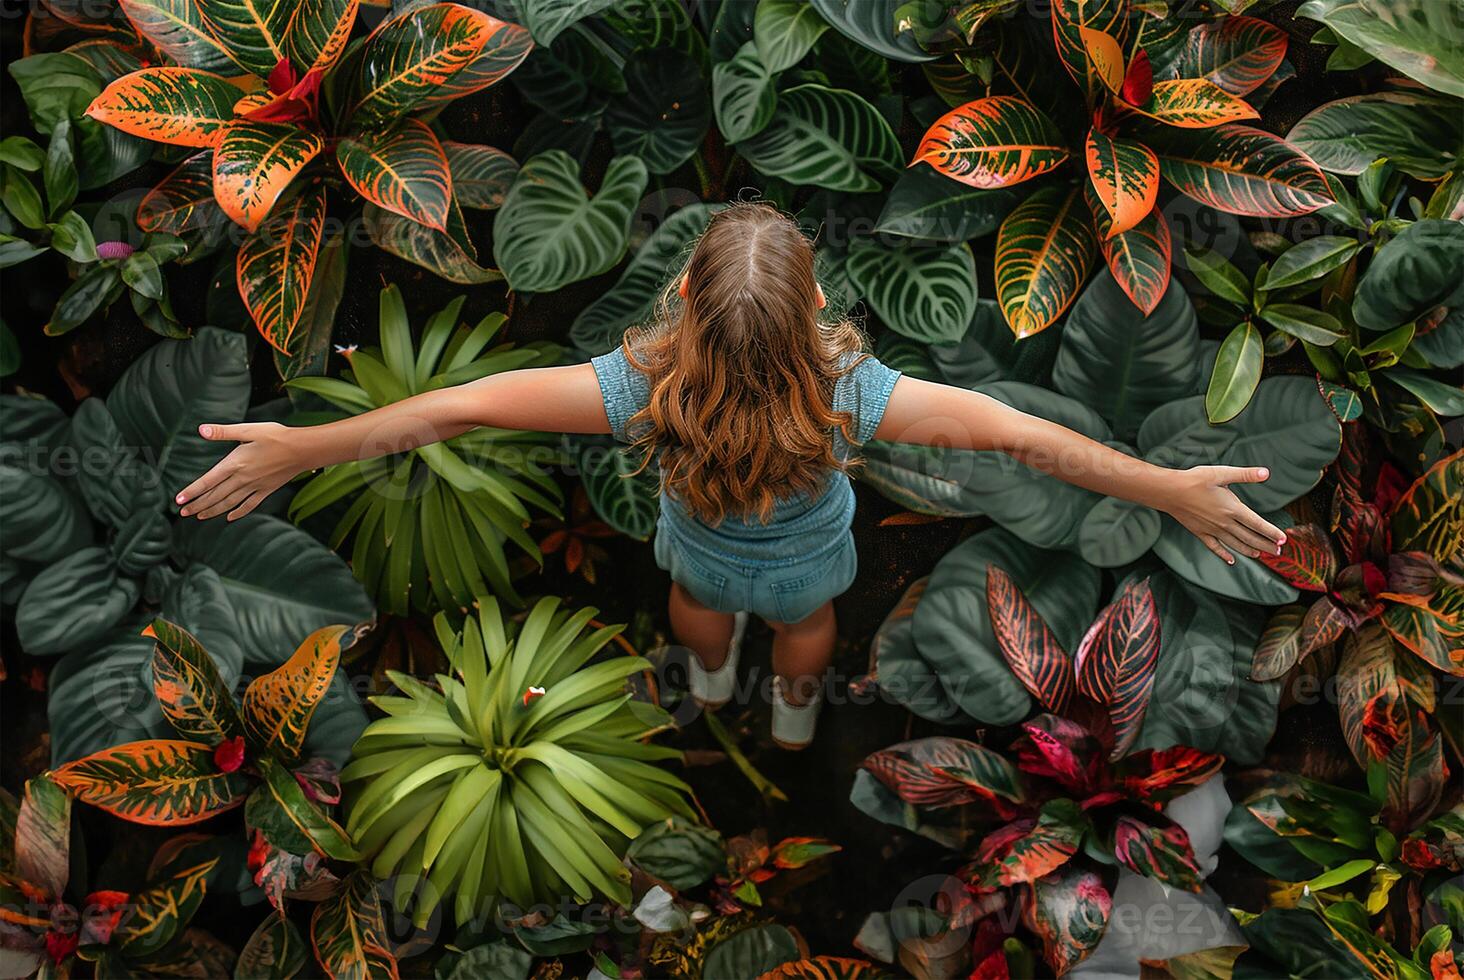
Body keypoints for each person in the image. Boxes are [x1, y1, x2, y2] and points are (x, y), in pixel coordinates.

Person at [175, 203, 1286, 750]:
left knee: (698, 610)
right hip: (810, 565)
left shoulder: (640, 384)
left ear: (685, 307)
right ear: (813, 310)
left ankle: (709, 689)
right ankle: (794, 714)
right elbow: (1020, 436)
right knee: (807, 625)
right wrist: (1169, 487)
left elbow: (453, 408)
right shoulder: (855, 391)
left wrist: (299, 446)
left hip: (701, 555)